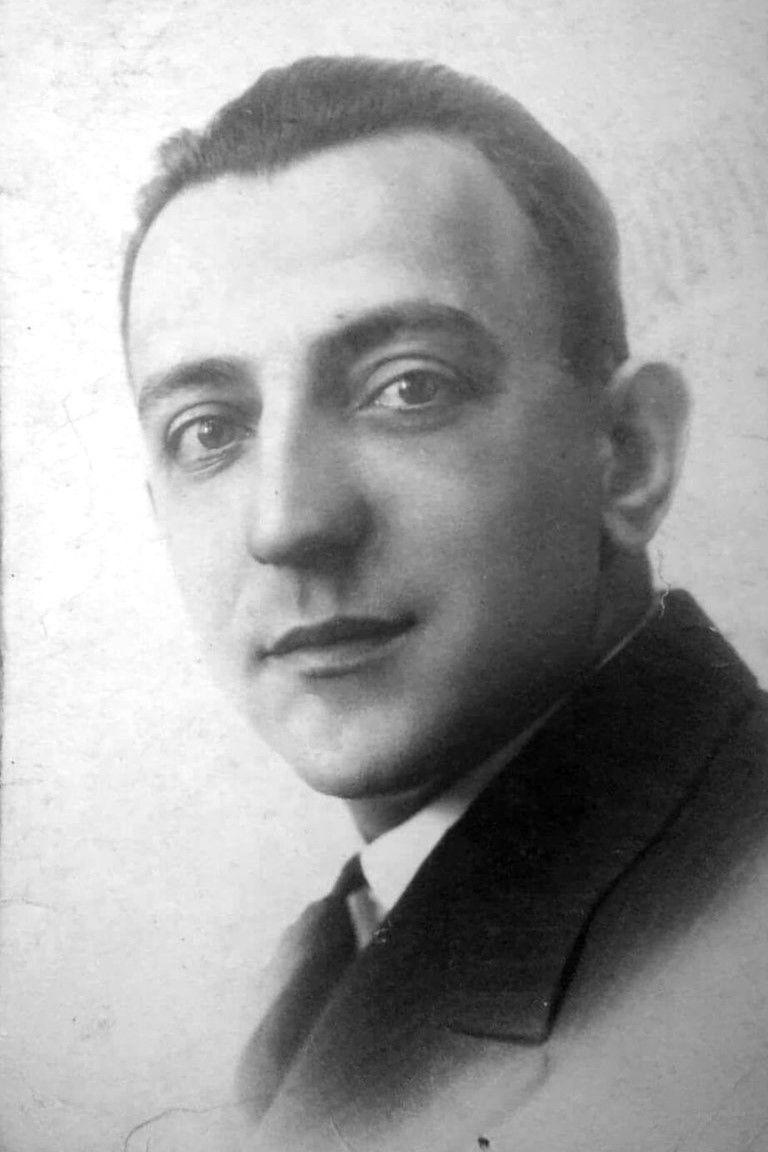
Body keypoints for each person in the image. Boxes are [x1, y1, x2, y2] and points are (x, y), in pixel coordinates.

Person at [121, 56, 768, 1151]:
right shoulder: (330, 962)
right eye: (209, 431)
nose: (286, 522)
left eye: (408, 387)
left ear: (628, 455)